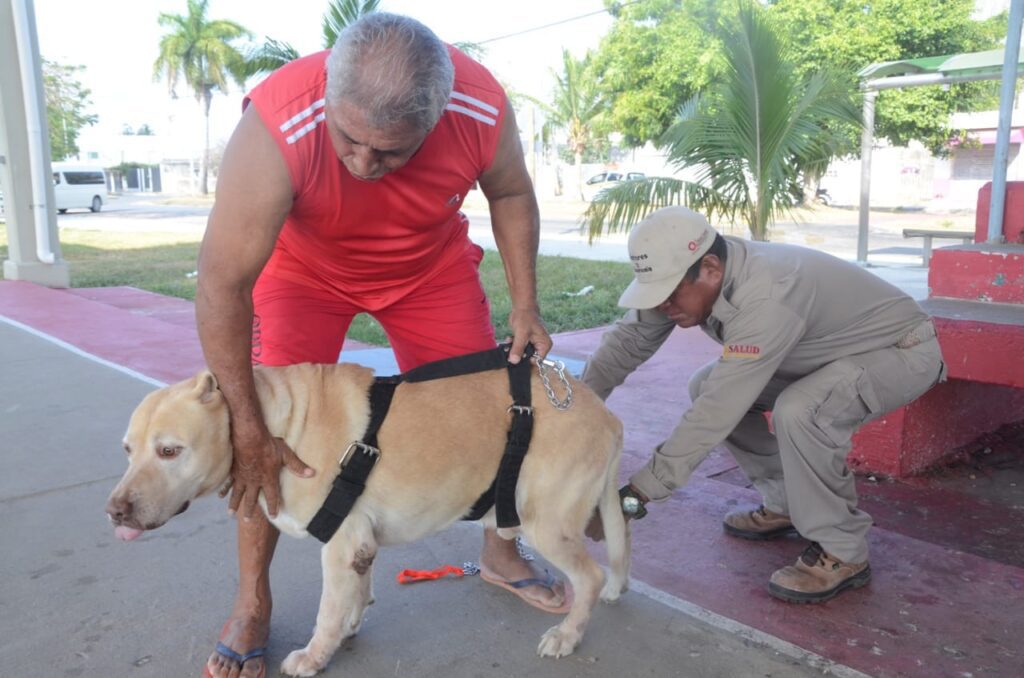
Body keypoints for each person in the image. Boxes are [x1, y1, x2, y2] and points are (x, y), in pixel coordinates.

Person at [196, 13, 559, 678]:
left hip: (427, 269)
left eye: (391, 151)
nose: (365, 163)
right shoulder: (279, 125)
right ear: (328, 99)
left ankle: (502, 554)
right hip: (302, 274)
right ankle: (253, 600)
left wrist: (526, 303)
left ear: (438, 116)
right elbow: (223, 287)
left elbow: (510, 191)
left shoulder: (480, 107)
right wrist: (247, 421)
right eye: (350, 139)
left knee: (491, 410)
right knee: (267, 435)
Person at [583, 206, 945, 604]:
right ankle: (787, 504)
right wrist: (574, 411)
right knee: (704, 383)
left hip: (898, 352)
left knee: (801, 410)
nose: (663, 306)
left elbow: (717, 411)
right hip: (825, 355)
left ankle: (843, 549)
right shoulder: (697, 277)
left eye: (669, 294)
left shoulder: (767, 294)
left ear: (710, 268)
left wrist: (634, 498)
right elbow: (627, 343)